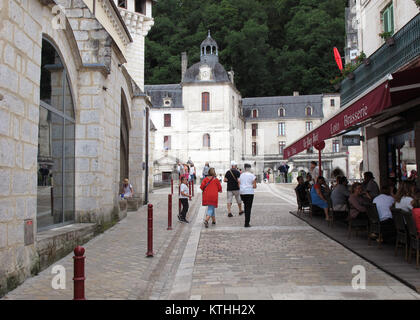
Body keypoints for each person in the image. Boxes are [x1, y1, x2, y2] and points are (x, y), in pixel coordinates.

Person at [239, 163, 257, 227]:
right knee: (248, 208)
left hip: (242, 192)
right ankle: (246, 223)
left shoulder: (241, 175)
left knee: (245, 206)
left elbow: (239, 183)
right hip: (249, 192)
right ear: (250, 168)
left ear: (244, 168)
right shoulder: (252, 175)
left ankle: (246, 221)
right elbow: (254, 186)